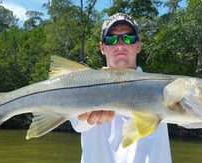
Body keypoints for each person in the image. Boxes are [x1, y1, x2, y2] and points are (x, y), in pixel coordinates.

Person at [70, 13, 172, 163]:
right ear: (102, 47)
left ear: (138, 45)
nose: (120, 45)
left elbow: (201, 118)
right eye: (111, 39)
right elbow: (78, 124)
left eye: (128, 38)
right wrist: (84, 116)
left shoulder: (162, 88)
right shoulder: (83, 85)